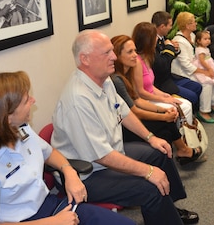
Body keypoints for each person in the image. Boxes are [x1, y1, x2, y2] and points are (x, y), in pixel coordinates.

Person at [51, 30, 199, 225]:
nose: (114, 57)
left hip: (109, 153)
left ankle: (168, 210)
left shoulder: (104, 81)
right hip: (87, 174)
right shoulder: (78, 100)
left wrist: (150, 138)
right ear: (85, 59)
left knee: (160, 152)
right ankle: (164, 210)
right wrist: (148, 172)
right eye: (106, 53)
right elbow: (102, 156)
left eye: (112, 51)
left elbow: (125, 112)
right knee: (150, 188)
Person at [0, 71, 134, 225]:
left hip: (50, 205)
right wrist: (52, 222)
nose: (33, 100)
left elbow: (50, 153)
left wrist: (69, 172)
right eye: (26, 100)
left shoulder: (19, 129)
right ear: (6, 116)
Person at [110, 34, 202, 165]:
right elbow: (135, 111)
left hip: (131, 117)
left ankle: (174, 158)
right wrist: (163, 116)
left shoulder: (127, 74)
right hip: (124, 128)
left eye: (135, 50)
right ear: (117, 55)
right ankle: (183, 151)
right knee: (167, 123)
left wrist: (162, 110)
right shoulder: (117, 80)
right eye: (130, 52)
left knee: (167, 126)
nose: (135, 55)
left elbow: (137, 100)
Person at [131, 22, 194, 125]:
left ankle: (183, 135)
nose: (157, 39)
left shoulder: (147, 57)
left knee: (186, 103)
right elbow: (140, 92)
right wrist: (162, 99)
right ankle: (182, 136)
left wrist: (165, 95)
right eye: (154, 37)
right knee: (184, 107)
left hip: (152, 96)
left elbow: (150, 86)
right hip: (145, 100)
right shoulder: (137, 62)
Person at [171, 12, 214, 123]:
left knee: (213, 78)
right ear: (187, 25)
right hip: (182, 73)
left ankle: (213, 103)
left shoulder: (192, 36)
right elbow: (186, 65)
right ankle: (203, 111)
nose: (196, 23)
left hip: (194, 68)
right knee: (206, 82)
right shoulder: (179, 41)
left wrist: (206, 69)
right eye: (194, 22)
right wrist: (204, 71)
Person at [151, 11, 202, 111]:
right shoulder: (152, 42)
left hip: (170, 76)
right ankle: (187, 120)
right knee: (192, 96)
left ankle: (192, 118)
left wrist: (175, 49)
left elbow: (170, 54)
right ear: (162, 26)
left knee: (197, 87)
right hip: (161, 82)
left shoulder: (163, 38)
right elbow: (162, 65)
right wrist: (169, 48)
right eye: (170, 25)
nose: (171, 27)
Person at [192, 30, 214, 122]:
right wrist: (209, 69)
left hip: (209, 67)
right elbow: (202, 61)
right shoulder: (200, 50)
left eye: (209, 39)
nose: (208, 41)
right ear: (198, 41)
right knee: (208, 83)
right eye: (205, 39)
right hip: (204, 69)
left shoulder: (206, 48)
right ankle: (204, 110)